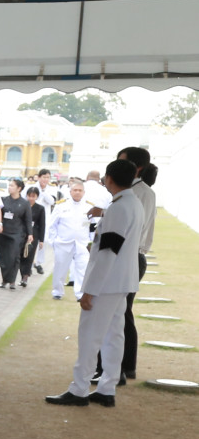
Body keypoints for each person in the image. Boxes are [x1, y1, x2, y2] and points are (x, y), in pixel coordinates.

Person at [47, 159, 142, 408]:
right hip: (119, 281)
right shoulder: (130, 203)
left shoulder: (120, 207)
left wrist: (90, 290)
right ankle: (106, 388)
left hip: (107, 283)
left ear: (108, 179)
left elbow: (109, 252)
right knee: (113, 336)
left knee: (90, 336)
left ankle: (79, 390)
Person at [115, 147, 157, 382]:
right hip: (124, 253)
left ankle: (122, 366)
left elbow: (133, 229)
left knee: (121, 311)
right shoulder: (129, 190)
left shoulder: (143, 193)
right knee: (119, 311)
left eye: (122, 162)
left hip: (131, 255)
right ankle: (120, 366)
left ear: (137, 167)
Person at [48, 179, 92, 301]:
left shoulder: (89, 207)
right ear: (70, 191)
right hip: (63, 242)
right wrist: (53, 242)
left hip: (82, 243)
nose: (77, 193)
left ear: (84, 192)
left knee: (82, 269)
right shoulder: (61, 205)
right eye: (75, 190)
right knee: (60, 268)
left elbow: (93, 226)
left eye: (80, 190)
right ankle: (57, 291)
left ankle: (80, 294)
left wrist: (92, 242)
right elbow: (52, 225)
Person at [0, 178, 33, 289]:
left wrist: (30, 234)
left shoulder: (25, 203)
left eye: (12, 185)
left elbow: (28, 220)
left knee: (14, 257)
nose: (9, 187)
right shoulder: (3, 200)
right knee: (2, 258)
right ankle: (4, 279)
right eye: (9, 185)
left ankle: (12, 281)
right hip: (3, 232)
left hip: (17, 234)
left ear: (19, 188)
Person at [22, 185, 45, 286]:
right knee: (21, 255)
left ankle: (25, 277)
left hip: (34, 235)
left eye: (33, 196)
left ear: (37, 197)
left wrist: (41, 240)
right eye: (29, 196)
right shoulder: (22, 205)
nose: (31, 198)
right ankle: (22, 273)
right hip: (22, 234)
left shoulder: (40, 208)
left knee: (30, 256)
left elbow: (42, 224)